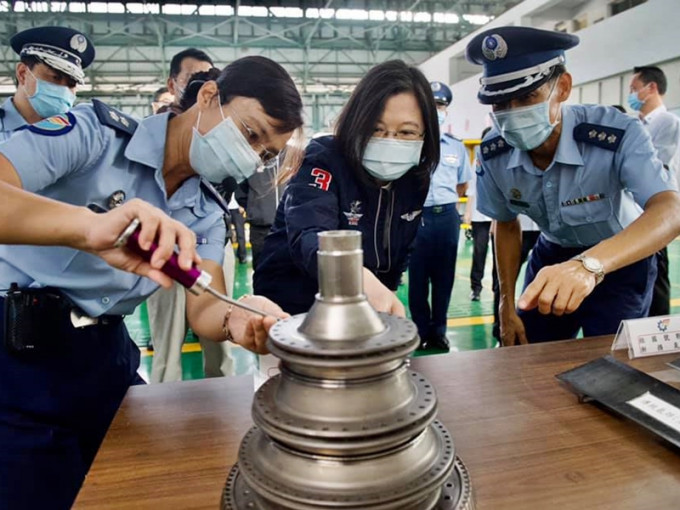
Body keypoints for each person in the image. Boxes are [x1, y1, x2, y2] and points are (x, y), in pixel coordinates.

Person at [0, 55, 303, 509]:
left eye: (263, 154)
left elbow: (204, 304)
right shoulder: (94, 136)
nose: (249, 154)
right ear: (208, 96)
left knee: (142, 487)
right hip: (17, 359)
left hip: (105, 359)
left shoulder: (206, 208)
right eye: (249, 133)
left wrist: (239, 314)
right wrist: (86, 228)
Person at [465, 26, 680, 345]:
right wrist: (505, 303)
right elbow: (506, 225)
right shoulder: (494, 152)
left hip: (619, 261)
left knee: (611, 363)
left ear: (562, 88)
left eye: (526, 97)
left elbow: (669, 209)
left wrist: (590, 265)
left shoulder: (614, 134)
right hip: (551, 256)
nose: (513, 115)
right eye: (500, 104)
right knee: (530, 353)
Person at [254, 60, 440, 316]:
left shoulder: (415, 178)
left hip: (360, 310)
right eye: (376, 129)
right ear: (358, 123)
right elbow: (310, 235)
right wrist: (357, 278)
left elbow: (400, 248)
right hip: (294, 308)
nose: (390, 141)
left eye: (406, 132)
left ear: (425, 136)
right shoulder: (322, 160)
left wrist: (388, 290)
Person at [409, 81, 471, 351]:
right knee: (418, 278)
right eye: (432, 105)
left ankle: (440, 331)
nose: (437, 110)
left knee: (444, 277)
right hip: (417, 217)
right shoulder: (412, 143)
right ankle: (421, 332)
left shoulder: (455, 147)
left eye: (441, 105)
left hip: (446, 216)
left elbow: (462, 185)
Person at [628, 65, 680, 317]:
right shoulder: (635, 124)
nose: (631, 94)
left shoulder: (666, 122)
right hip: (632, 216)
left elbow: (652, 168)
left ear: (652, 88)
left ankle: (658, 333)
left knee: (656, 277)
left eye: (634, 89)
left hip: (653, 214)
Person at [0, 26, 95, 141]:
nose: (64, 90)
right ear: (23, 73)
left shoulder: (78, 139)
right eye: (55, 77)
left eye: (71, 84)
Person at [236, 156, 285, 270]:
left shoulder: (292, 156)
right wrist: (256, 209)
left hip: (288, 228)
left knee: (288, 273)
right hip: (260, 229)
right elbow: (241, 193)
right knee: (261, 270)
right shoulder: (251, 160)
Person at [465, 127, 493, 302]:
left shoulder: (504, 160)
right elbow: (471, 188)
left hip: (500, 217)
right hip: (480, 215)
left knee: (501, 255)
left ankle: (499, 287)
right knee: (479, 251)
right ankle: (476, 287)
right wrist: (468, 212)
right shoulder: (478, 161)